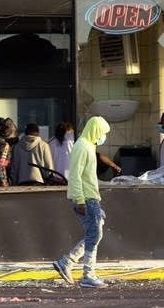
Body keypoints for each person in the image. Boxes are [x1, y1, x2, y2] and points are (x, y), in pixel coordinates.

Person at [52, 115, 111, 289]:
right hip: (86, 198)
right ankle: (87, 275)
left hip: (90, 198)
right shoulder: (83, 146)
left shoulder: (87, 146)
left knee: (94, 234)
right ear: (96, 130)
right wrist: (80, 200)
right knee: (94, 235)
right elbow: (76, 175)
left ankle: (67, 263)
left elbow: (85, 176)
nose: (103, 137)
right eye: (103, 133)